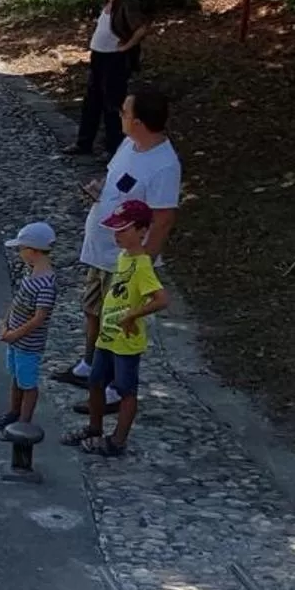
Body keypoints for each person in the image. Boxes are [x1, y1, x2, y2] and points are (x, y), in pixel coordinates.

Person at [58, 85, 180, 401]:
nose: (120, 115)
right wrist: (101, 191)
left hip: (125, 257)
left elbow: (163, 219)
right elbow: (118, 182)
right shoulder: (130, 144)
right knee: (93, 308)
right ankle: (89, 365)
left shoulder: (164, 165)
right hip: (101, 245)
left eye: (125, 112)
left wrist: (142, 264)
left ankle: (113, 387)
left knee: (118, 320)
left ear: (138, 122)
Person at [65, 201, 168, 456]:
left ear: (142, 231)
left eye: (123, 230)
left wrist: (132, 315)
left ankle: (117, 440)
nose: (117, 235)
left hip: (126, 340)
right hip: (108, 335)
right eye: (116, 230)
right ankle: (94, 428)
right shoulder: (123, 258)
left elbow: (161, 299)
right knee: (96, 381)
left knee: (125, 389)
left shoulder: (142, 265)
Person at [66, 0, 147, 157]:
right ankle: (84, 143)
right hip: (100, 57)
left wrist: (126, 47)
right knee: (92, 101)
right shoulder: (109, 3)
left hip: (114, 59)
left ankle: (113, 148)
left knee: (112, 103)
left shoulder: (126, 3)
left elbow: (142, 28)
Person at [0, 222, 58, 435]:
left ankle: (23, 424)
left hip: (28, 344)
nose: (19, 253)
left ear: (33, 251)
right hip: (15, 338)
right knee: (17, 377)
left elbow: (39, 318)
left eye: (21, 249)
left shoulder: (46, 284)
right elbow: (17, 301)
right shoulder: (31, 274)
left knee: (28, 383)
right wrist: (5, 324)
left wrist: (14, 334)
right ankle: (13, 412)